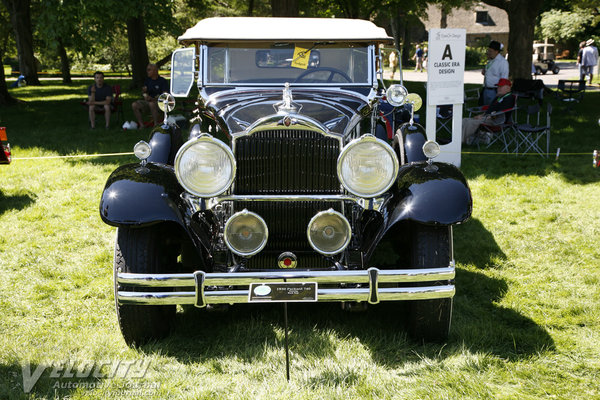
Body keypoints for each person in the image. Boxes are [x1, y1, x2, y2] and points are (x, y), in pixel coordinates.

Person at [462, 78, 515, 145]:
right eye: (498, 86)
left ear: (508, 88)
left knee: (471, 122)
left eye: (501, 87)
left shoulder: (508, 98)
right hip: (489, 117)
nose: (498, 88)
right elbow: (490, 109)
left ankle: (461, 141)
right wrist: (482, 115)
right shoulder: (499, 97)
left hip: (497, 121)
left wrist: (485, 117)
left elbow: (499, 113)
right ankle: (457, 139)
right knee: (465, 120)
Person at [132, 63, 169, 128]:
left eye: (149, 70)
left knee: (152, 104)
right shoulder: (147, 81)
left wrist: (153, 99)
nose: (147, 72)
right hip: (148, 102)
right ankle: (141, 125)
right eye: (147, 70)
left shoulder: (162, 81)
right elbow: (144, 93)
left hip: (159, 103)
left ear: (155, 71)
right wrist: (144, 94)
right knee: (134, 105)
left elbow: (164, 95)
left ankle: (156, 124)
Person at [481, 40, 509, 105]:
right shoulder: (490, 60)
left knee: (495, 111)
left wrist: (500, 93)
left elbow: (504, 78)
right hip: (486, 89)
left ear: (496, 51)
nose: (488, 53)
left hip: (495, 91)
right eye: (488, 51)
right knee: (486, 110)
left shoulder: (502, 62)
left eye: (490, 51)